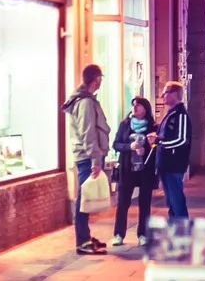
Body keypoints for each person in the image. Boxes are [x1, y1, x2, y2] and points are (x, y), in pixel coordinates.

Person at [62, 64, 111, 255]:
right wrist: (95, 160)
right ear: (96, 79)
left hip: (88, 156)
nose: (101, 82)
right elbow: (88, 132)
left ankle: (85, 236)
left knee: (87, 198)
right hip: (87, 158)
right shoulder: (85, 103)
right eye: (100, 78)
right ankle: (82, 242)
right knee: (83, 200)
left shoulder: (86, 100)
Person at [111, 97, 157, 247]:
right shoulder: (125, 125)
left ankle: (143, 234)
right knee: (123, 202)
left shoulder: (152, 126)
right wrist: (129, 147)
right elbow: (116, 144)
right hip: (127, 168)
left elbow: (158, 146)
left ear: (145, 108)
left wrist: (148, 149)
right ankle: (118, 234)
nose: (134, 107)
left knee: (145, 203)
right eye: (133, 105)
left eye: (138, 105)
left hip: (145, 170)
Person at [150, 81, 192, 220]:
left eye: (166, 92)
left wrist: (158, 141)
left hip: (174, 164)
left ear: (174, 94)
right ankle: (175, 230)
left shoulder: (180, 115)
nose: (163, 95)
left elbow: (181, 140)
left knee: (176, 200)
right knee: (171, 202)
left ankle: (182, 232)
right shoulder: (171, 114)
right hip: (166, 164)